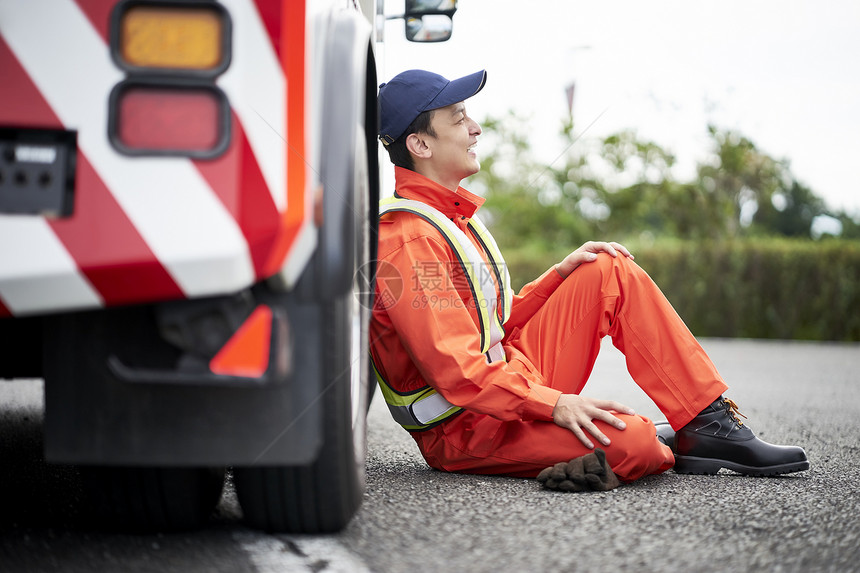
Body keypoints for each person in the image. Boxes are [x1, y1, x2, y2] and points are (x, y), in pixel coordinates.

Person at [369, 69, 808, 491]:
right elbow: (460, 373)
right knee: (636, 446)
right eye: (459, 118)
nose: (476, 128)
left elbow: (490, 325)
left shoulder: (450, 219)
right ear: (420, 144)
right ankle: (659, 437)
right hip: (468, 427)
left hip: (507, 383)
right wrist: (556, 404)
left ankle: (706, 424)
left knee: (607, 268)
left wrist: (559, 276)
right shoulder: (408, 240)